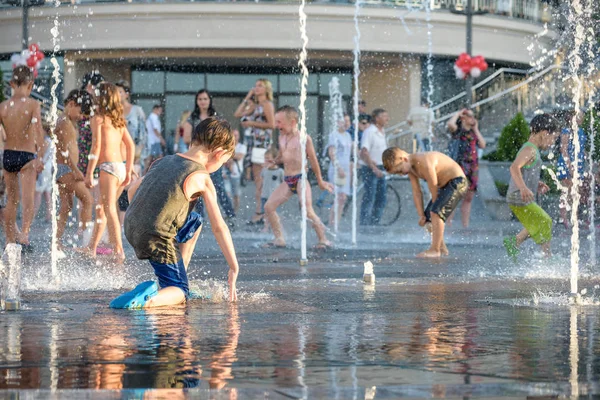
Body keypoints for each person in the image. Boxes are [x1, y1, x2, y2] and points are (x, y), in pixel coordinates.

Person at [113, 118, 239, 308]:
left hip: (131, 225)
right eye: (224, 162)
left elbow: (132, 190)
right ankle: (151, 300)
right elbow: (219, 227)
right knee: (180, 290)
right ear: (219, 154)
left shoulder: (163, 160)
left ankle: (179, 275)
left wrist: (144, 217)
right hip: (157, 235)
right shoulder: (201, 177)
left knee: (194, 221)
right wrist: (233, 266)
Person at [262, 105, 333, 249]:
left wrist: (320, 181)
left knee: (307, 209)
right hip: (288, 180)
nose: (277, 125)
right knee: (269, 207)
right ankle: (280, 238)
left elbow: (313, 160)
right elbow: (283, 156)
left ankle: (323, 239)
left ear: (293, 122)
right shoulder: (282, 137)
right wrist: (275, 161)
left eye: (280, 122)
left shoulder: (304, 138)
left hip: (301, 178)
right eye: (276, 122)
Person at [382, 147, 468, 258]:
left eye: (399, 170)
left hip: (458, 181)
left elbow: (433, 185)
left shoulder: (424, 161)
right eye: (397, 173)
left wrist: (434, 208)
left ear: (404, 159)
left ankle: (435, 250)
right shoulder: (410, 170)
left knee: (435, 213)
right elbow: (417, 192)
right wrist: (422, 215)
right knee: (428, 219)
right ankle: (442, 248)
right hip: (446, 186)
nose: (400, 174)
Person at [83, 82, 135, 263]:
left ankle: (118, 249)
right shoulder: (118, 120)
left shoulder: (98, 118)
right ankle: (92, 247)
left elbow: (96, 146)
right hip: (119, 167)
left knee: (109, 209)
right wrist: (128, 171)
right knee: (103, 210)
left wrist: (89, 172)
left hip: (108, 169)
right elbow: (130, 146)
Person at [503, 114, 559, 261]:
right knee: (545, 221)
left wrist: (536, 182)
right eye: (553, 138)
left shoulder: (531, 149)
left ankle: (514, 242)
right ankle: (547, 256)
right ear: (545, 133)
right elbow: (514, 167)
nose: (552, 143)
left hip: (518, 195)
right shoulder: (530, 150)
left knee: (538, 222)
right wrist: (523, 188)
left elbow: (525, 170)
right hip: (518, 195)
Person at [0, 66, 44, 250]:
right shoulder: (33, 104)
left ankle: (10, 239)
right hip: (27, 156)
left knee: (12, 199)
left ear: (11, 84)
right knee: (28, 199)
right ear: (30, 85)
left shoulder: (2, 107)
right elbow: (38, 131)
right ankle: (24, 235)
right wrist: (40, 156)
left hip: (8, 155)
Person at [184, 90, 236, 225]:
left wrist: (227, 157)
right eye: (200, 99)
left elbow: (225, 137)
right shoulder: (192, 118)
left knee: (219, 187)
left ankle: (230, 216)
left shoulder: (216, 117)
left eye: (205, 99)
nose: (202, 101)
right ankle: (200, 218)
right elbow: (186, 138)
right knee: (198, 187)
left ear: (209, 101)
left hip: (214, 158)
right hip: (198, 158)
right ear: (196, 101)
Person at [54, 89, 94, 249]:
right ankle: (86, 240)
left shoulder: (66, 120)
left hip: (63, 168)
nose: (81, 116)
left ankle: (56, 241)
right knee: (88, 199)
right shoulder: (63, 121)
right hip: (66, 169)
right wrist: (76, 171)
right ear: (71, 104)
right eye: (80, 112)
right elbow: (63, 150)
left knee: (66, 206)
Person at [233, 79, 275, 226]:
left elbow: (272, 124)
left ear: (266, 89)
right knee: (258, 181)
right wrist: (247, 97)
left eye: (259, 86)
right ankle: (260, 213)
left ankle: (262, 214)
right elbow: (237, 114)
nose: (256, 88)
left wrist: (251, 123)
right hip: (253, 144)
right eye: (255, 85)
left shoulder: (267, 105)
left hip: (262, 145)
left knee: (261, 181)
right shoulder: (255, 105)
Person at [446, 108, 486, 228]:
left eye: (474, 116)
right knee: (455, 196)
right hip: (460, 166)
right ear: (463, 118)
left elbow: (483, 144)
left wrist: (476, 128)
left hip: (473, 168)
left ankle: (465, 226)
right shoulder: (458, 131)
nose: (473, 118)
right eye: (470, 116)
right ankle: (448, 226)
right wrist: (457, 113)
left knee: (469, 197)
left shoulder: (473, 132)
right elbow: (450, 124)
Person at [556, 110, 588, 229]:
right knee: (566, 191)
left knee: (576, 193)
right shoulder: (566, 131)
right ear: (573, 118)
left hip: (578, 166)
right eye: (580, 116)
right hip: (566, 165)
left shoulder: (581, 131)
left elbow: (581, 148)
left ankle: (574, 218)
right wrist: (570, 168)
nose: (582, 119)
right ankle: (563, 218)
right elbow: (563, 150)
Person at [359, 108, 389, 226]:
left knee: (381, 197)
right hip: (370, 168)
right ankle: (364, 224)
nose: (387, 119)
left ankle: (375, 222)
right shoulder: (370, 131)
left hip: (381, 167)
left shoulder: (382, 131)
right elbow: (364, 152)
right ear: (377, 118)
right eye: (385, 116)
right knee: (369, 196)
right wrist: (373, 168)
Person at [115, 80, 147, 171]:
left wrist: (139, 156)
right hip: (117, 156)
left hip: (134, 157)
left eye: (120, 92)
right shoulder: (113, 113)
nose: (117, 94)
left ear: (127, 94)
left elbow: (143, 135)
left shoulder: (137, 111)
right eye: (115, 92)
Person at [326, 118, 353, 227]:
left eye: (348, 121)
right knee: (339, 197)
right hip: (337, 169)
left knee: (343, 198)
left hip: (346, 169)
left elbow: (350, 154)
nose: (347, 123)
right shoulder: (334, 135)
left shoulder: (348, 135)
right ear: (338, 122)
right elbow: (331, 153)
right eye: (344, 121)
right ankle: (331, 224)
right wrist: (338, 168)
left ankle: (336, 223)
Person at [34, 124, 54, 223]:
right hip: (49, 168)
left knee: (38, 192)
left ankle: (32, 216)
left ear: (44, 130)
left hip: (44, 168)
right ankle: (48, 216)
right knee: (47, 192)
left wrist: (38, 168)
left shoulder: (45, 141)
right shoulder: (49, 140)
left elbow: (42, 157)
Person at [259, 148, 284, 233]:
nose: (266, 160)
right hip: (265, 195)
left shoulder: (280, 171)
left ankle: (279, 227)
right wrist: (259, 190)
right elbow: (262, 181)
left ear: (275, 159)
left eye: (268, 158)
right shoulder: (264, 170)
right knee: (265, 213)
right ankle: (266, 227)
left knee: (276, 213)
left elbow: (283, 183)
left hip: (275, 197)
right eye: (265, 158)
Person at [225, 129, 246, 213]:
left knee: (236, 194)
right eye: (233, 135)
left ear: (239, 136)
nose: (234, 137)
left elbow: (239, 156)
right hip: (225, 173)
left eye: (236, 135)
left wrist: (228, 156)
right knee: (226, 193)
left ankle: (235, 211)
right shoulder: (225, 146)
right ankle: (229, 210)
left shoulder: (242, 146)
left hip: (236, 173)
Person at [145, 104, 164, 172]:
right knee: (158, 156)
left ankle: (146, 172)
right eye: (159, 110)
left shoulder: (151, 117)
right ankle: (161, 170)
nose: (160, 112)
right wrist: (161, 139)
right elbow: (155, 130)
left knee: (152, 156)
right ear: (155, 109)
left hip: (153, 140)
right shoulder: (153, 117)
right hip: (154, 140)